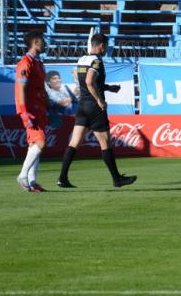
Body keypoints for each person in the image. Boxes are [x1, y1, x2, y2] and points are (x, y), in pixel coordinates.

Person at [56, 33, 137, 189]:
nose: (106, 49)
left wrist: (107, 88)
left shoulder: (82, 60)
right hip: (94, 107)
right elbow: (89, 81)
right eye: (105, 46)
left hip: (82, 106)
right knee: (105, 142)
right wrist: (100, 100)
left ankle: (62, 178)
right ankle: (117, 179)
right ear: (101, 46)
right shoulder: (96, 61)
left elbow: (80, 80)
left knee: (74, 143)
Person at [14, 31, 49, 193]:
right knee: (41, 142)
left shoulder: (38, 63)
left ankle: (32, 181)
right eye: (42, 41)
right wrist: (23, 111)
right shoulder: (25, 62)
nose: (45, 43)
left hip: (40, 108)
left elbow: (40, 87)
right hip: (30, 110)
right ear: (35, 42)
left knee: (34, 145)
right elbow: (20, 87)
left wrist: (50, 106)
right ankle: (22, 175)